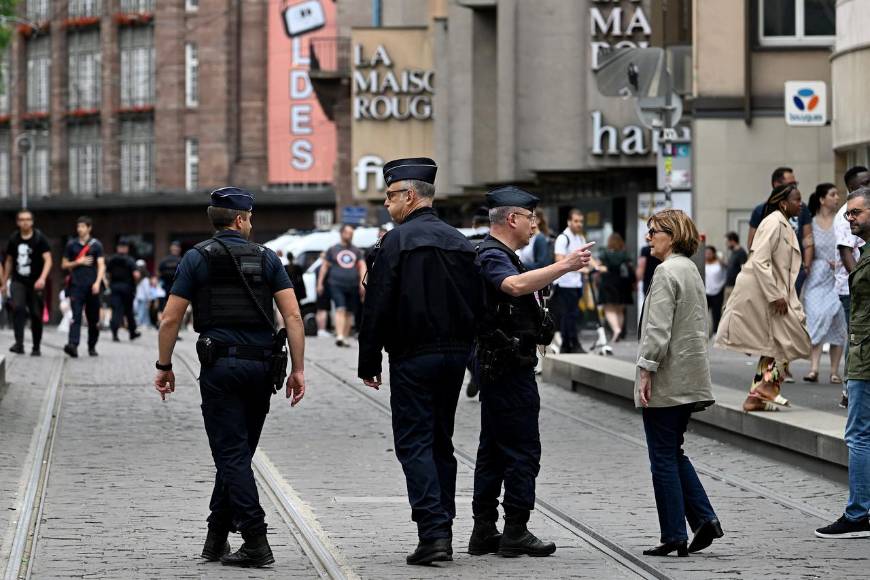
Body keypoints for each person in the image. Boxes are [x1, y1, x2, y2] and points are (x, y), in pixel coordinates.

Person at [153, 187, 305, 568]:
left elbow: (171, 317)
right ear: (239, 219)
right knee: (237, 453)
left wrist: (164, 365)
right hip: (261, 368)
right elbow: (293, 317)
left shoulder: (196, 258)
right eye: (250, 218)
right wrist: (299, 369)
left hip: (220, 368)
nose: (251, 223)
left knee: (231, 453)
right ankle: (216, 537)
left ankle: (255, 540)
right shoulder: (267, 257)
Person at [357, 157, 484, 566]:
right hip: (453, 357)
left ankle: (433, 534)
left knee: (414, 442)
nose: (387, 204)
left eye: (391, 196)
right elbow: (479, 303)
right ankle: (443, 524)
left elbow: (376, 306)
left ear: (411, 196)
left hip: (412, 356)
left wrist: (369, 360)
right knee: (440, 441)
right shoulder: (460, 241)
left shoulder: (395, 243)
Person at [469, 186, 593, 559]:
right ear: (512, 219)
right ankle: (516, 530)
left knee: (492, 449)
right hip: (507, 368)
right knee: (522, 450)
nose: (534, 225)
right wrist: (565, 266)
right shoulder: (493, 255)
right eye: (530, 218)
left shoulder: (502, 254)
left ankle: (485, 529)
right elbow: (513, 286)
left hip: (501, 366)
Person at [635, 209, 722, 557]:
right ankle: (703, 519)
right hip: (690, 377)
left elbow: (658, 328)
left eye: (654, 231)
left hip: (668, 379)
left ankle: (674, 535)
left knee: (662, 457)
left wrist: (645, 369)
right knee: (673, 451)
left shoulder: (666, 271)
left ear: (671, 235)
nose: (649, 237)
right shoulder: (689, 269)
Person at [716, 183, 812, 411]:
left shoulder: (782, 223)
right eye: (797, 200)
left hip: (774, 291)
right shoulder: (773, 222)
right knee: (790, 339)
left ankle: (756, 397)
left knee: (778, 343)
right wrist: (775, 294)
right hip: (768, 292)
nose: (801, 204)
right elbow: (759, 259)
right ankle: (765, 388)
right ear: (783, 203)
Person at [816, 186, 870, 539]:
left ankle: (858, 514)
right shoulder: (864, 251)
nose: (849, 218)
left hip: (865, 355)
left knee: (859, 434)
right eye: (848, 213)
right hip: (861, 349)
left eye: (856, 213)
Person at [802, 183, 846, 383]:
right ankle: (814, 368)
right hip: (816, 277)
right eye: (833, 194)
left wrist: (841, 262)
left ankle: (835, 371)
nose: (837, 198)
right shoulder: (810, 222)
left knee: (838, 320)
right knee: (815, 316)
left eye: (837, 194)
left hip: (838, 275)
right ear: (821, 199)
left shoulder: (842, 221)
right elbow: (807, 248)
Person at [835, 166, 870, 408]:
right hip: (852, 288)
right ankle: (851, 386)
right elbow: (845, 250)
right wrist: (859, 278)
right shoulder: (846, 215)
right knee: (856, 336)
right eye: (864, 182)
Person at [2, 210, 51, 356]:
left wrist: (42, 278)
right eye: (22, 219)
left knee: (36, 314)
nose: (25, 222)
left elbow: (48, 259)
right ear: (17, 222)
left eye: (28, 219)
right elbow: (9, 260)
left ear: (32, 221)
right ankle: (19, 343)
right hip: (18, 281)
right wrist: (4, 282)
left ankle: (36, 346)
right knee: (18, 308)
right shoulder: (14, 239)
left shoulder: (39, 238)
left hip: (36, 282)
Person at [61, 216, 105, 358]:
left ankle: (92, 346)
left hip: (92, 286)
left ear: (89, 228)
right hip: (76, 286)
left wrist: (98, 283)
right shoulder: (71, 245)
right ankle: (73, 344)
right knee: (76, 316)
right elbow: (64, 264)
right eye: (78, 226)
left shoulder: (96, 245)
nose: (79, 229)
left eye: (82, 226)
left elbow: (101, 265)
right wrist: (78, 262)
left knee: (93, 319)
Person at [317, 224, 366, 347]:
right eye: (348, 233)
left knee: (349, 312)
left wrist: (363, 282)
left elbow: (362, 267)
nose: (350, 236)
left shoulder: (356, 251)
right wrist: (320, 283)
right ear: (342, 233)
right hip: (336, 284)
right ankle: (339, 335)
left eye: (352, 233)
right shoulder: (333, 249)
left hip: (353, 285)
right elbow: (324, 267)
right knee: (340, 308)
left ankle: (344, 337)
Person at [553, 209, 588, 353]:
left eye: (581, 221)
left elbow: (586, 257)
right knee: (569, 314)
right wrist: (580, 270)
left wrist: (598, 266)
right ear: (569, 221)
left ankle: (568, 345)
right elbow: (559, 260)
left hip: (576, 283)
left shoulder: (580, 238)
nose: (579, 224)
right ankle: (571, 343)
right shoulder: (563, 238)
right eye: (576, 221)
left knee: (572, 314)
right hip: (564, 284)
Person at [596, 232, 634, 342]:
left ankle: (616, 329)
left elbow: (598, 266)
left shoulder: (604, 254)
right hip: (623, 283)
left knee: (608, 308)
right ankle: (619, 331)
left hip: (608, 282)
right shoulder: (625, 254)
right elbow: (631, 268)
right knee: (619, 310)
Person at [106, 239, 141, 342]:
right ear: (126, 248)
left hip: (115, 288)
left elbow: (107, 274)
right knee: (129, 311)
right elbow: (136, 275)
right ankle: (132, 332)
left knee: (116, 311)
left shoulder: (112, 259)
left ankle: (115, 333)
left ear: (118, 248)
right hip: (127, 289)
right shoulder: (129, 260)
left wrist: (110, 284)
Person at [704, 246, 727, 336]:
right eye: (706, 253)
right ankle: (704, 332)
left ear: (714, 254)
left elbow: (726, 272)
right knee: (704, 313)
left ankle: (715, 332)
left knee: (716, 313)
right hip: (705, 292)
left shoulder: (719, 263)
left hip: (717, 292)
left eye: (709, 253)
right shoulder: (703, 263)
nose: (707, 255)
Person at [158, 240, 183, 309]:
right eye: (174, 247)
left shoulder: (181, 260)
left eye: (176, 247)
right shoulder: (181, 260)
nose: (175, 249)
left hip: (175, 288)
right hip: (169, 288)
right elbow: (159, 272)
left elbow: (159, 272)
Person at [723, 231, 747, 304]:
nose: (726, 245)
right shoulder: (733, 252)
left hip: (735, 287)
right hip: (729, 286)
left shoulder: (741, 253)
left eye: (727, 242)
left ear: (733, 241)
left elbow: (744, 270)